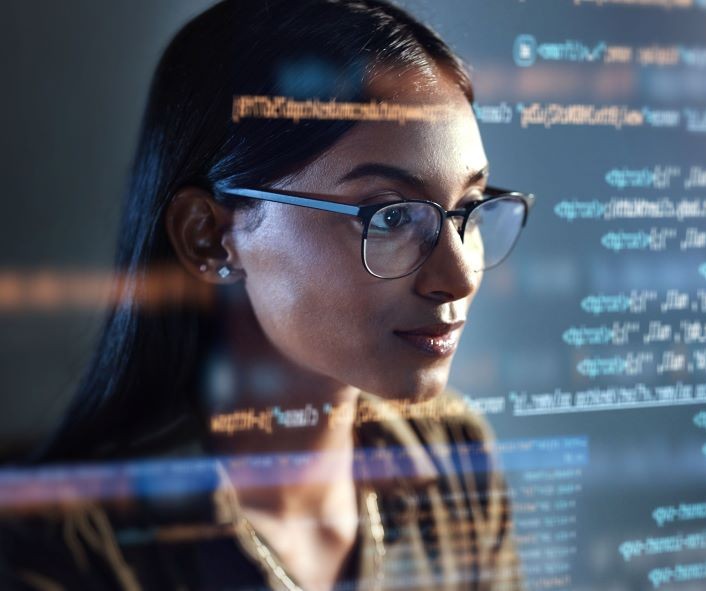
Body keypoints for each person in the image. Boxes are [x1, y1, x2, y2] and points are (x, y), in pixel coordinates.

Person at [0, 0, 530, 589]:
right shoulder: (64, 551)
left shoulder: (453, 457)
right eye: (388, 216)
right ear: (209, 237)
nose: (458, 277)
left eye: (467, 211)